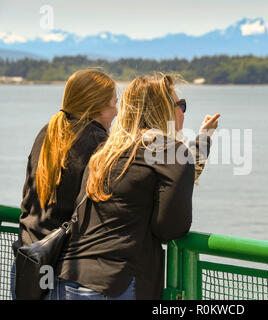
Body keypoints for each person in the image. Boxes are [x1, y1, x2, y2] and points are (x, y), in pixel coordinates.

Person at [47, 73, 220, 300]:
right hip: (114, 284)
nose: (183, 112)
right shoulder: (171, 153)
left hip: (66, 279)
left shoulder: (105, 152)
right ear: (164, 109)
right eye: (181, 105)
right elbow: (171, 229)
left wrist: (203, 138)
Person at [10, 69, 118, 299]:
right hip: (67, 274)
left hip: (28, 263)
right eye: (113, 104)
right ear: (98, 107)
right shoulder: (98, 142)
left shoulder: (47, 132)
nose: (117, 112)